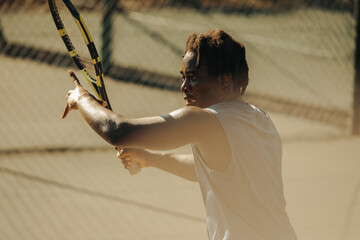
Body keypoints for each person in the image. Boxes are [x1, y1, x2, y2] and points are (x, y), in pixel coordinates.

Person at [62, 29, 297, 240]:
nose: (184, 86)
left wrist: (80, 99)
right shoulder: (260, 120)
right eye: (183, 77)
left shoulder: (203, 121)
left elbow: (117, 131)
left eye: (194, 77)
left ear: (225, 79)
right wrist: (151, 159)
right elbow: (211, 169)